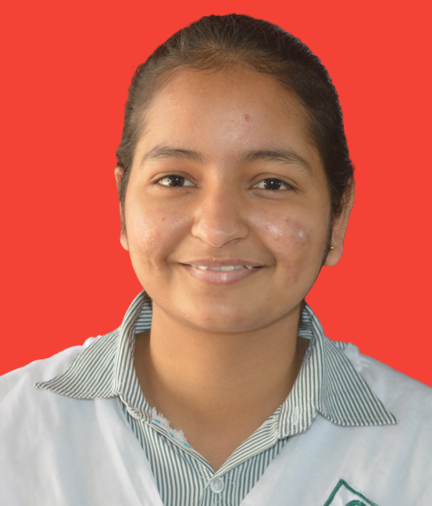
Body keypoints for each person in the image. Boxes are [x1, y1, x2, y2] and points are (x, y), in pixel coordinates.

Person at [1, 13, 431, 506]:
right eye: (175, 180)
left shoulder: (421, 449)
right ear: (121, 203)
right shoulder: (11, 431)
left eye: (272, 183)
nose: (218, 227)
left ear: (338, 214)